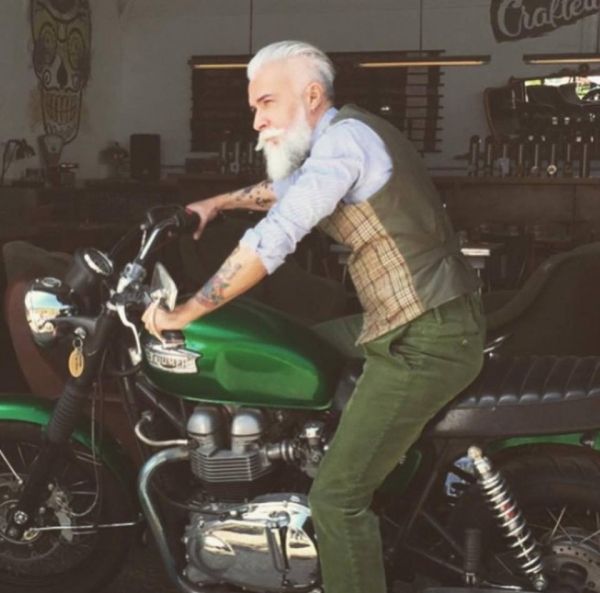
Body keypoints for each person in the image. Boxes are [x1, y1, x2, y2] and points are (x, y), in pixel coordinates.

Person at [142, 40, 485, 593]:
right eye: (254, 107)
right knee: (293, 351)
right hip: (408, 319)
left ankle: (337, 496)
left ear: (311, 95)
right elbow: (283, 190)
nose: (257, 121)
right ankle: (301, 464)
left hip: (424, 338)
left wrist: (187, 310)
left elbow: (277, 234)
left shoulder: (346, 142)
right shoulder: (341, 138)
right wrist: (216, 203)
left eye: (267, 103)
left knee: (337, 498)